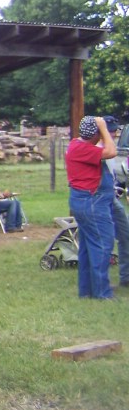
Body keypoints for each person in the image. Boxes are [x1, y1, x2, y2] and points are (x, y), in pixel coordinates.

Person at [65, 116, 117, 300]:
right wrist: (102, 127)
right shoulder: (82, 149)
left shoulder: (77, 145)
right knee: (103, 245)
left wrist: (100, 132)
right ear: (95, 134)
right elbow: (111, 151)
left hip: (83, 201)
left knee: (88, 248)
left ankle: (86, 291)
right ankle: (102, 293)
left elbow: (102, 149)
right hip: (92, 202)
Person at [103, 116, 129, 289]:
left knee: (125, 235)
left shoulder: (111, 149)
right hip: (102, 197)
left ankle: (126, 277)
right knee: (106, 239)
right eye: (110, 130)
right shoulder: (100, 149)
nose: (113, 133)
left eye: (114, 130)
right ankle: (103, 281)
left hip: (111, 195)